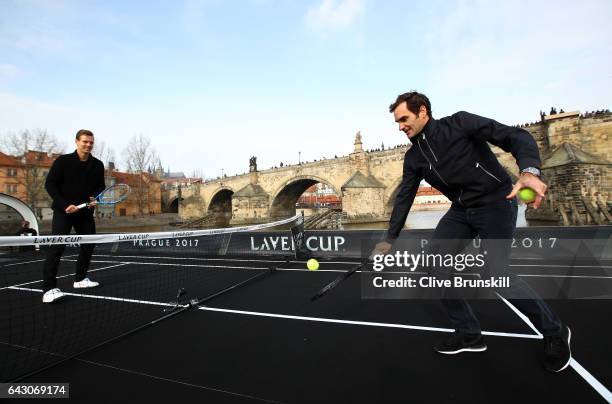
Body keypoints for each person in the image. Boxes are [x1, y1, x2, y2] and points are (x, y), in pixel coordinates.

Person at [373, 91, 570, 372]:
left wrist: (529, 171)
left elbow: (517, 137)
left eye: (404, 119)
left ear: (423, 112)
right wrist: (390, 238)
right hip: (462, 209)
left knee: (495, 274)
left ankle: (554, 331)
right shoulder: (413, 158)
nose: (400, 126)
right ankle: (469, 333)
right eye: (397, 122)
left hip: (496, 202)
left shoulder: (460, 123)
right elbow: (404, 196)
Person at [41, 129, 105, 303]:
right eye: (85, 141)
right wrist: (64, 205)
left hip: (85, 212)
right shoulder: (63, 161)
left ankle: (80, 279)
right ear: (76, 142)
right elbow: (50, 185)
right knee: (57, 247)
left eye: (91, 142)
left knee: (89, 243)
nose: (88, 145)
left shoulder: (98, 165)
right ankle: (49, 288)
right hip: (64, 212)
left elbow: (100, 187)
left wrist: (95, 198)